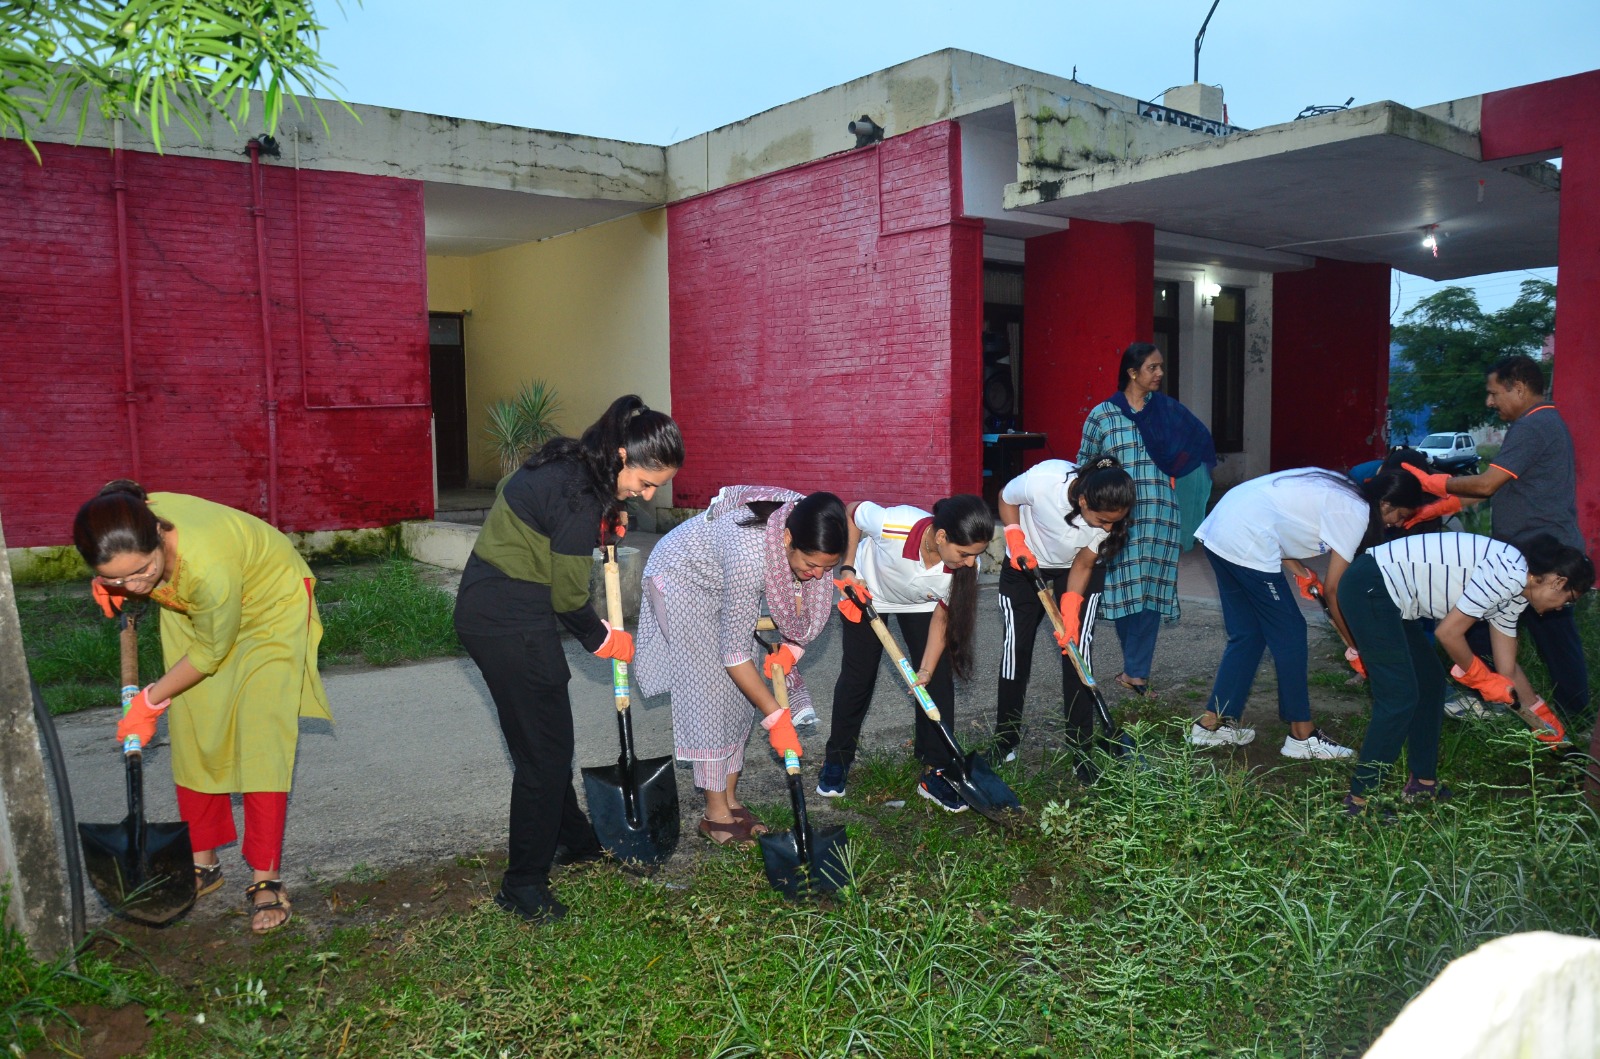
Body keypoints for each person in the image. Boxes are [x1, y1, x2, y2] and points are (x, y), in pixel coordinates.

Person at [453, 395, 682, 923]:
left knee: (540, 742)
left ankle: (573, 840)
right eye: (645, 483)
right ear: (622, 455)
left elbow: (525, 500)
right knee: (545, 757)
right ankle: (523, 883)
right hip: (513, 622)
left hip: (487, 606)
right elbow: (567, 600)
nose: (647, 496)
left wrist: (606, 517)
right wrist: (604, 640)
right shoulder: (582, 493)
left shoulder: (568, 459)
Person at [73, 481, 332, 934]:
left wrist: (149, 702)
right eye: (118, 577)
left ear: (159, 536)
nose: (135, 585)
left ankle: (265, 877)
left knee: (260, 736)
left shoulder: (206, 560)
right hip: (192, 604)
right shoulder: (126, 523)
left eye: (141, 573)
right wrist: (115, 586)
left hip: (267, 606)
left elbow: (211, 654)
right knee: (196, 728)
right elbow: (130, 557)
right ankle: (203, 862)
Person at [634, 488, 846, 845]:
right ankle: (714, 815)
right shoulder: (750, 555)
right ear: (788, 539)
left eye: (827, 567)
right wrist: (777, 717)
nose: (817, 576)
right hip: (682, 578)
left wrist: (792, 649)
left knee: (739, 697)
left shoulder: (809, 518)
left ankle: (730, 800)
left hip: (721, 581)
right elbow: (734, 656)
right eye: (811, 565)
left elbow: (849, 524)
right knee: (712, 694)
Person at [1339, 532, 1591, 815]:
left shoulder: (1517, 594)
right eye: (1568, 601)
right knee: (1399, 697)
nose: (1561, 609)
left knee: (1430, 683)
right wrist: (1480, 678)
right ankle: (1360, 802)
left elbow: (1507, 669)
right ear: (1558, 582)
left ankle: (1423, 784)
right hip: (1372, 585)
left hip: (1393, 600)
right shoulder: (1508, 574)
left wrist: (1544, 722)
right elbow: (1448, 633)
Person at [1403, 355, 1590, 727]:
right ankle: (1505, 698)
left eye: (1493, 393)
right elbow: (1493, 490)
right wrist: (1433, 509)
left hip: (1545, 559)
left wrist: (1435, 482)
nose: (1490, 402)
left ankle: (1572, 716)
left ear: (1517, 388)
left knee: (1550, 636)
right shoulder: (1539, 423)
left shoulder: (1533, 426)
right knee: (1491, 627)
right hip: (1535, 551)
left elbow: (1486, 482)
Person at [1189, 469, 1424, 759]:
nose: (1397, 524)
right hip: (1245, 537)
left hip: (1222, 527)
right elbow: (1336, 591)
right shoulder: (1357, 513)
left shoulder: (1344, 490)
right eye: (1400, 516)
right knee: (1291, 633)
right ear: (1386, 504)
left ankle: (1211, 725)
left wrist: (1301, 572)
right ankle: (1302, 735)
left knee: (1248, 634)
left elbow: (1279, 520)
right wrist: (1355, 645)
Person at [820, 495, 994, 811]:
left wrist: (925, 670)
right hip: (867, 592)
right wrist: (847, 567)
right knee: (858, 677)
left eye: (976, 555)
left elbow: (943, 618)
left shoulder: (966, 567)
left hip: (924, 604)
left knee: (937, 681)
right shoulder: (894, 524)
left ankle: (936, 770)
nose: (971, 562)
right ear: (941, 537)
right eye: (965, 553)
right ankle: (838, 760)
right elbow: (852, 512)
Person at [1079, 342, 1215, 695]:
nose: (1160, 374)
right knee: (1126, 589)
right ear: (1132, 372)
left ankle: (1136, 673)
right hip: (1118, 519)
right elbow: (1084, 465)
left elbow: (1199, 445)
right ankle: (1134, 667)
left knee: (1151, 591)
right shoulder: (1103, 416)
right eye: (1153, 368)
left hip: (1160, 514)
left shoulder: (1168, 412)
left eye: (1160, 367)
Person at [994, 457, 1136, 777]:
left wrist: (1070, 607)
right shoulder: (1044, 481)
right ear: (1083, 500)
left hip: (1076, 569)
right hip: (1024, 565)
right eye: (1102, 519)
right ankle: (1005, 741)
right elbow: (1006, 496)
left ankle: (1080, 750)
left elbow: (1084, 564)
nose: (1109, 527)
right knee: (1014, 653)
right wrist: (1015, 537)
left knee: (1077, 653)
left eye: (1115, 521)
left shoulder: (1107, 525)